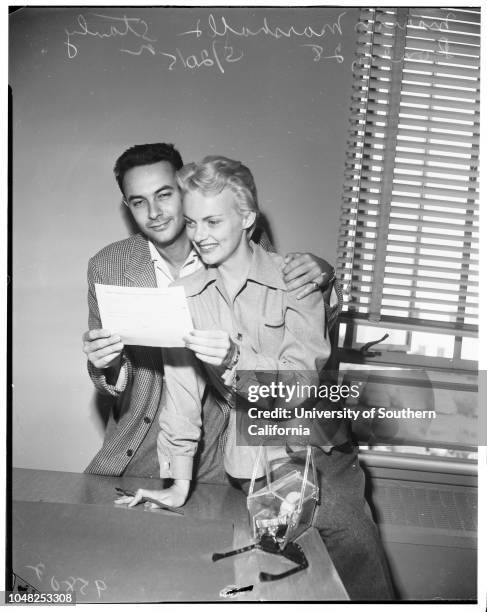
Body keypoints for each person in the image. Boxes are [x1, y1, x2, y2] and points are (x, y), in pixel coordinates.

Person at [120, 156, 394, 600]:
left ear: (247, 218)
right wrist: (179, 481)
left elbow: (299, 386)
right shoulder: (183, 296)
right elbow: (183, 393)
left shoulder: (297, 281)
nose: (199, 235)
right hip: (252, 460)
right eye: (191, 223)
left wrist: (234, 361)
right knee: (279, 584)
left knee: (360, 577)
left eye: (212, 220)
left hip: (320, 454)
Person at [82, 143, 340, 480]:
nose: (154, 212)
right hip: (144, 439)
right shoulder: (109, 266)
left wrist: (324, 274)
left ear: (185, 191)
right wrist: (107, 364)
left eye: (164, 195)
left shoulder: (245, 244)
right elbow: (109, 380)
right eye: (138, 202)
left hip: (232, 442)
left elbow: (293, 345)